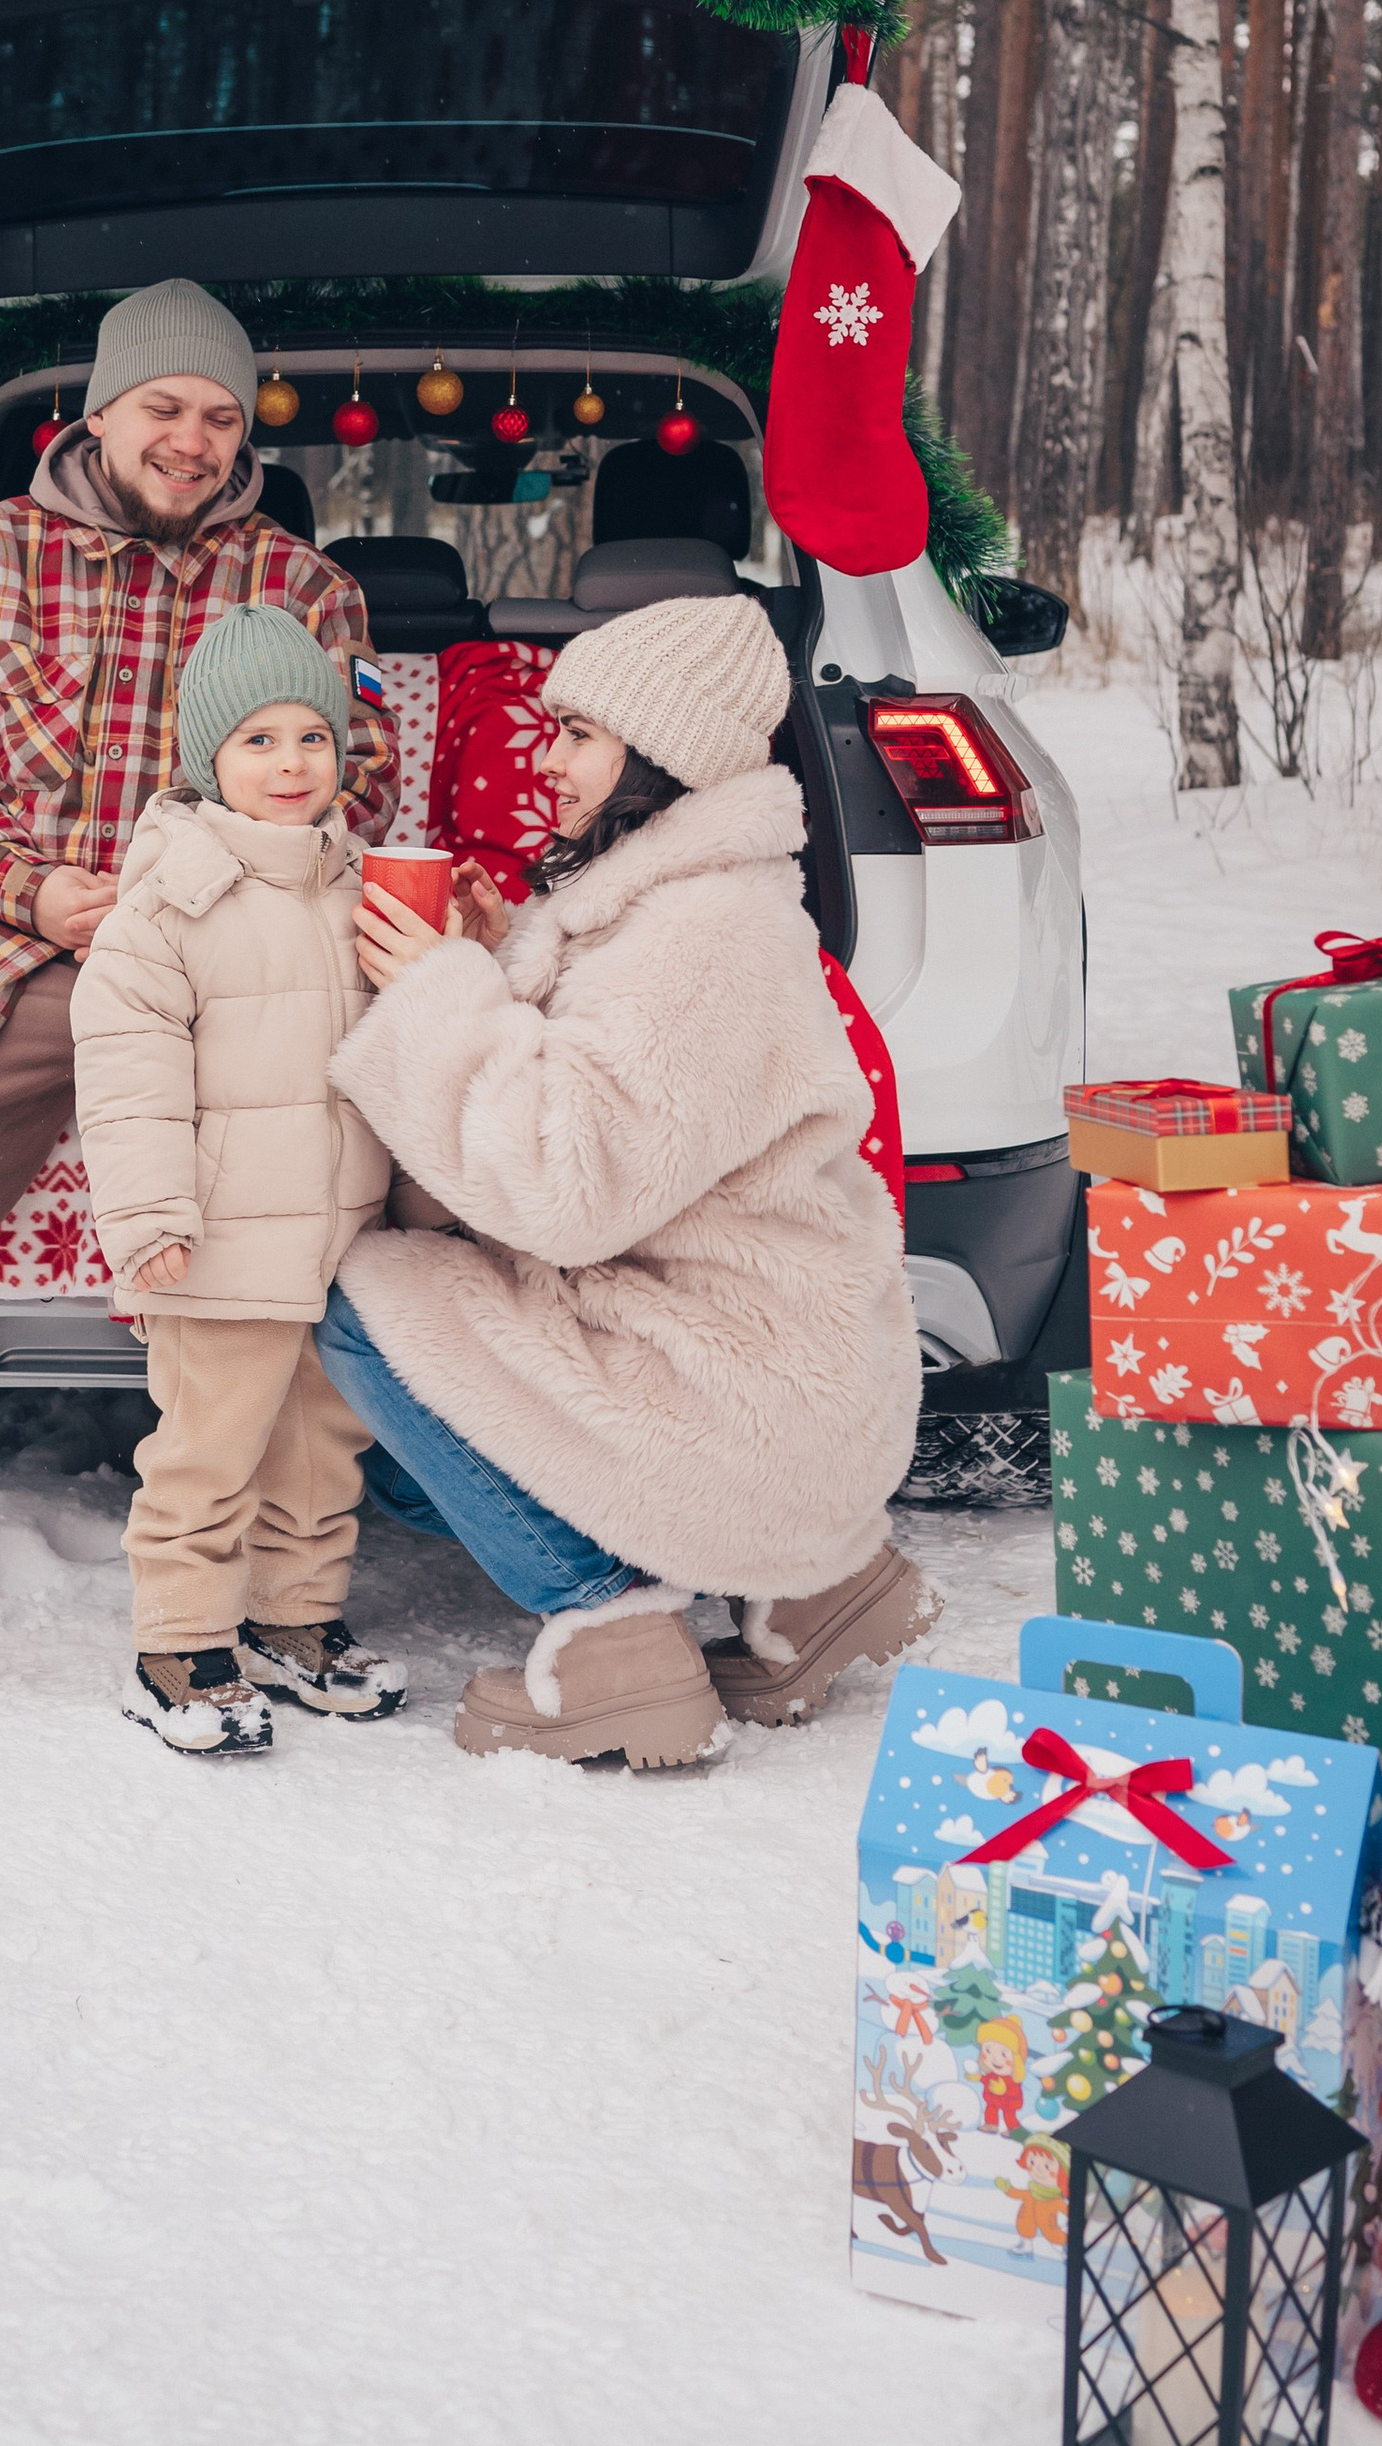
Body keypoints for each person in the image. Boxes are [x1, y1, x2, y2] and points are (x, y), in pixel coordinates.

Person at [0, 282, 398, 1706]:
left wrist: (231, 875)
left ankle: (299, 1551)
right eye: (163, 407)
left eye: (219, 415)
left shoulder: (301, 587)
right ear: (99, 412)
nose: (191, 438)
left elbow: (360, 768)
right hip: (3, 930)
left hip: (233, 942)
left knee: (354, 1170)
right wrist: (30, 882)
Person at [322, 591, 934, 1771]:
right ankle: (811, 1587)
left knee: (363, 1304)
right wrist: (504, 959)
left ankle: (616, 1632)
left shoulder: (704, 931)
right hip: (759, 1357)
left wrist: (442, 993)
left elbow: (564, 1184)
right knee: (413, 1472)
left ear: (663, 754)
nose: (542, 761)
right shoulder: (660, 892)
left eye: (577, 735)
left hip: (734, 1377)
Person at [71, 603, 406, 1754]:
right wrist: (153, 1214)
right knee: (207, 1450)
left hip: (336, 1235)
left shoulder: (360, 881)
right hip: (215, 1237)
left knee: (321, 1445)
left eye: (310, 737)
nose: (288, 763)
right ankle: (178, 1641)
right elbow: (129, 1076)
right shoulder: (169, 903)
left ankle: (294, 1621)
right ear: (206, 757)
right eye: (256, 741)